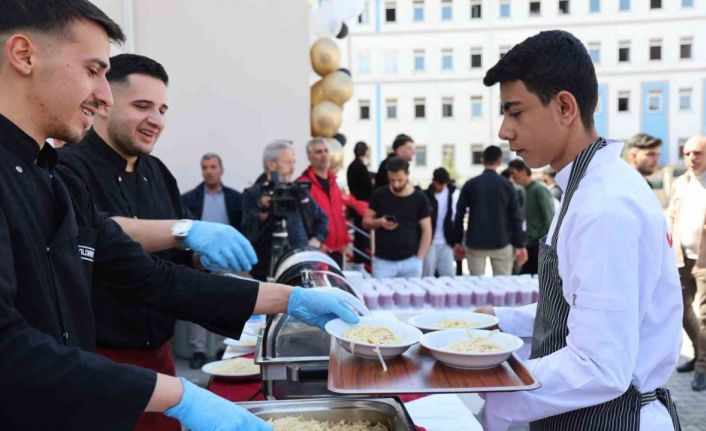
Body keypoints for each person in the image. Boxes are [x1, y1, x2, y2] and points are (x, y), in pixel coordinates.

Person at [0, 2, 366, 429]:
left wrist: (291, 300)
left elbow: (154, 278)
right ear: (24, 55)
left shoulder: (57, 180)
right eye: (92, 70)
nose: (103, 96)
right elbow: (11, 347)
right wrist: (180, 395)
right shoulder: (57, 169)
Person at [477, 30, 682, 430]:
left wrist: (489, 383)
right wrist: (500, 320)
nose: (504, 131)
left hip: (613, 419)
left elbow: (599, 364)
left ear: (565, 107)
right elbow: (583, 308)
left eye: (515, 112)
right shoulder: (586, 186)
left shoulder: (604, 205)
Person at [182, 152, 246, 369]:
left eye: (213, 167)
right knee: (197, 304)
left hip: (227, 260)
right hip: (198, 259)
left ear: (221, 170)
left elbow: (244, 227)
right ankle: (198, 350)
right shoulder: (189, 199)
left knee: (227, 303)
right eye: (205, 167)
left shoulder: (235, 198)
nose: (209, 171)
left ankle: (223, 348)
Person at [242, 139, 328, 280]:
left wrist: (316, 239)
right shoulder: (254, 194)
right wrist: (262, 212)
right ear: (271, 165)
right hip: (266, 270)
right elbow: (248, 232)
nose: (293, 167)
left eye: (293, 162)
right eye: (288, 162)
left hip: (301, 266)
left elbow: (322, 218)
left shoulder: (298, 191)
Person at [668, 135, 706, 391]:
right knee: (680, 308)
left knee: (705, 315)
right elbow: (672, 216)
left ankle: (702, 367)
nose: (692, 158)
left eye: (698, 153)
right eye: (688, 153)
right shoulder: (680, 183)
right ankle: (698, 353)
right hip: (681, 259)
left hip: (704, 259)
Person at [453, 146, 527, 276]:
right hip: (502, 241)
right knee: (502, 285)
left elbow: (459, 214)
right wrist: (520, 244)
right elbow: (516, 216)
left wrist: (457, 241)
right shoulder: (507, 185)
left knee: (476, 284)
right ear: (499, 161)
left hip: (475, 242)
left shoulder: (471, 184)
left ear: (482, 160)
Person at [297, 137, 367, 268]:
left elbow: (338, 214)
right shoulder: (303, 185)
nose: (324, 155)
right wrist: (317, 242)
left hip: (338, 251)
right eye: (318, 152)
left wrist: (344, 239)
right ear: (309, 157)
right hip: (318, 252)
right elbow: (302, 221)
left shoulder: (333, 182)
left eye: (326, 151)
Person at [363, 157, 432, 278]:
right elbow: (366, 222)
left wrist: (420, 258)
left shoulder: (420, 198)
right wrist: (380, 222)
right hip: (383, 262)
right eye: (392, 180)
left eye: (400, 180)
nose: (396, 184)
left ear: (407, 174)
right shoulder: (379, 195)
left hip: (411, 261)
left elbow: (427, 229)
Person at [508, 159, 555, 275]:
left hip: (538, 245)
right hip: (524, 243)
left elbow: (550, 217)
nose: (512, 177)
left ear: (523, 171)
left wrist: (549, 245)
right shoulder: (518, 190)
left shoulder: (539, 189)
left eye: (513, 173)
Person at [423, 167, 459, 277]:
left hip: (446, 241)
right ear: (433, 181)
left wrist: (456, 241)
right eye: (439, 184)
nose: (441, 187)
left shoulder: (453, 195)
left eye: (443, 184)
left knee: (449, 275)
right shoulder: (426, 196)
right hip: (430, 242)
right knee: (427, 275)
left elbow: (456, 219)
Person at [347, 141, 373, 268]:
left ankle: (360, 263)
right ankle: (360, 264)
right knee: (362, 236)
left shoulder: (352, 166)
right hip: (362, 205)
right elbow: (367, 186)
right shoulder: (360, 167)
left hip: (356, 204)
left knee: (360, 236)